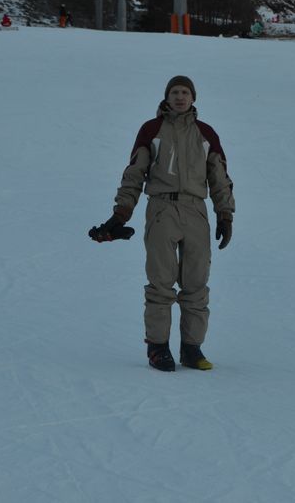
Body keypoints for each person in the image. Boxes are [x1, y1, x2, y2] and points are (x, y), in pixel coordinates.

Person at [89, 76, 235, 373]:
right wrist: (120, 215)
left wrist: (225, 214)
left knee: (196, 283)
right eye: (174, 92)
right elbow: (134, 174)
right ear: (166, 97)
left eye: (185, 92)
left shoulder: (205, 134)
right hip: (161, 209)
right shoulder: (152, 130)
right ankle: (158, 348)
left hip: (196, 210)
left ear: (193, 97)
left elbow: (219, 178)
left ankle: (192, 349)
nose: (180, 97)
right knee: (161, 282)